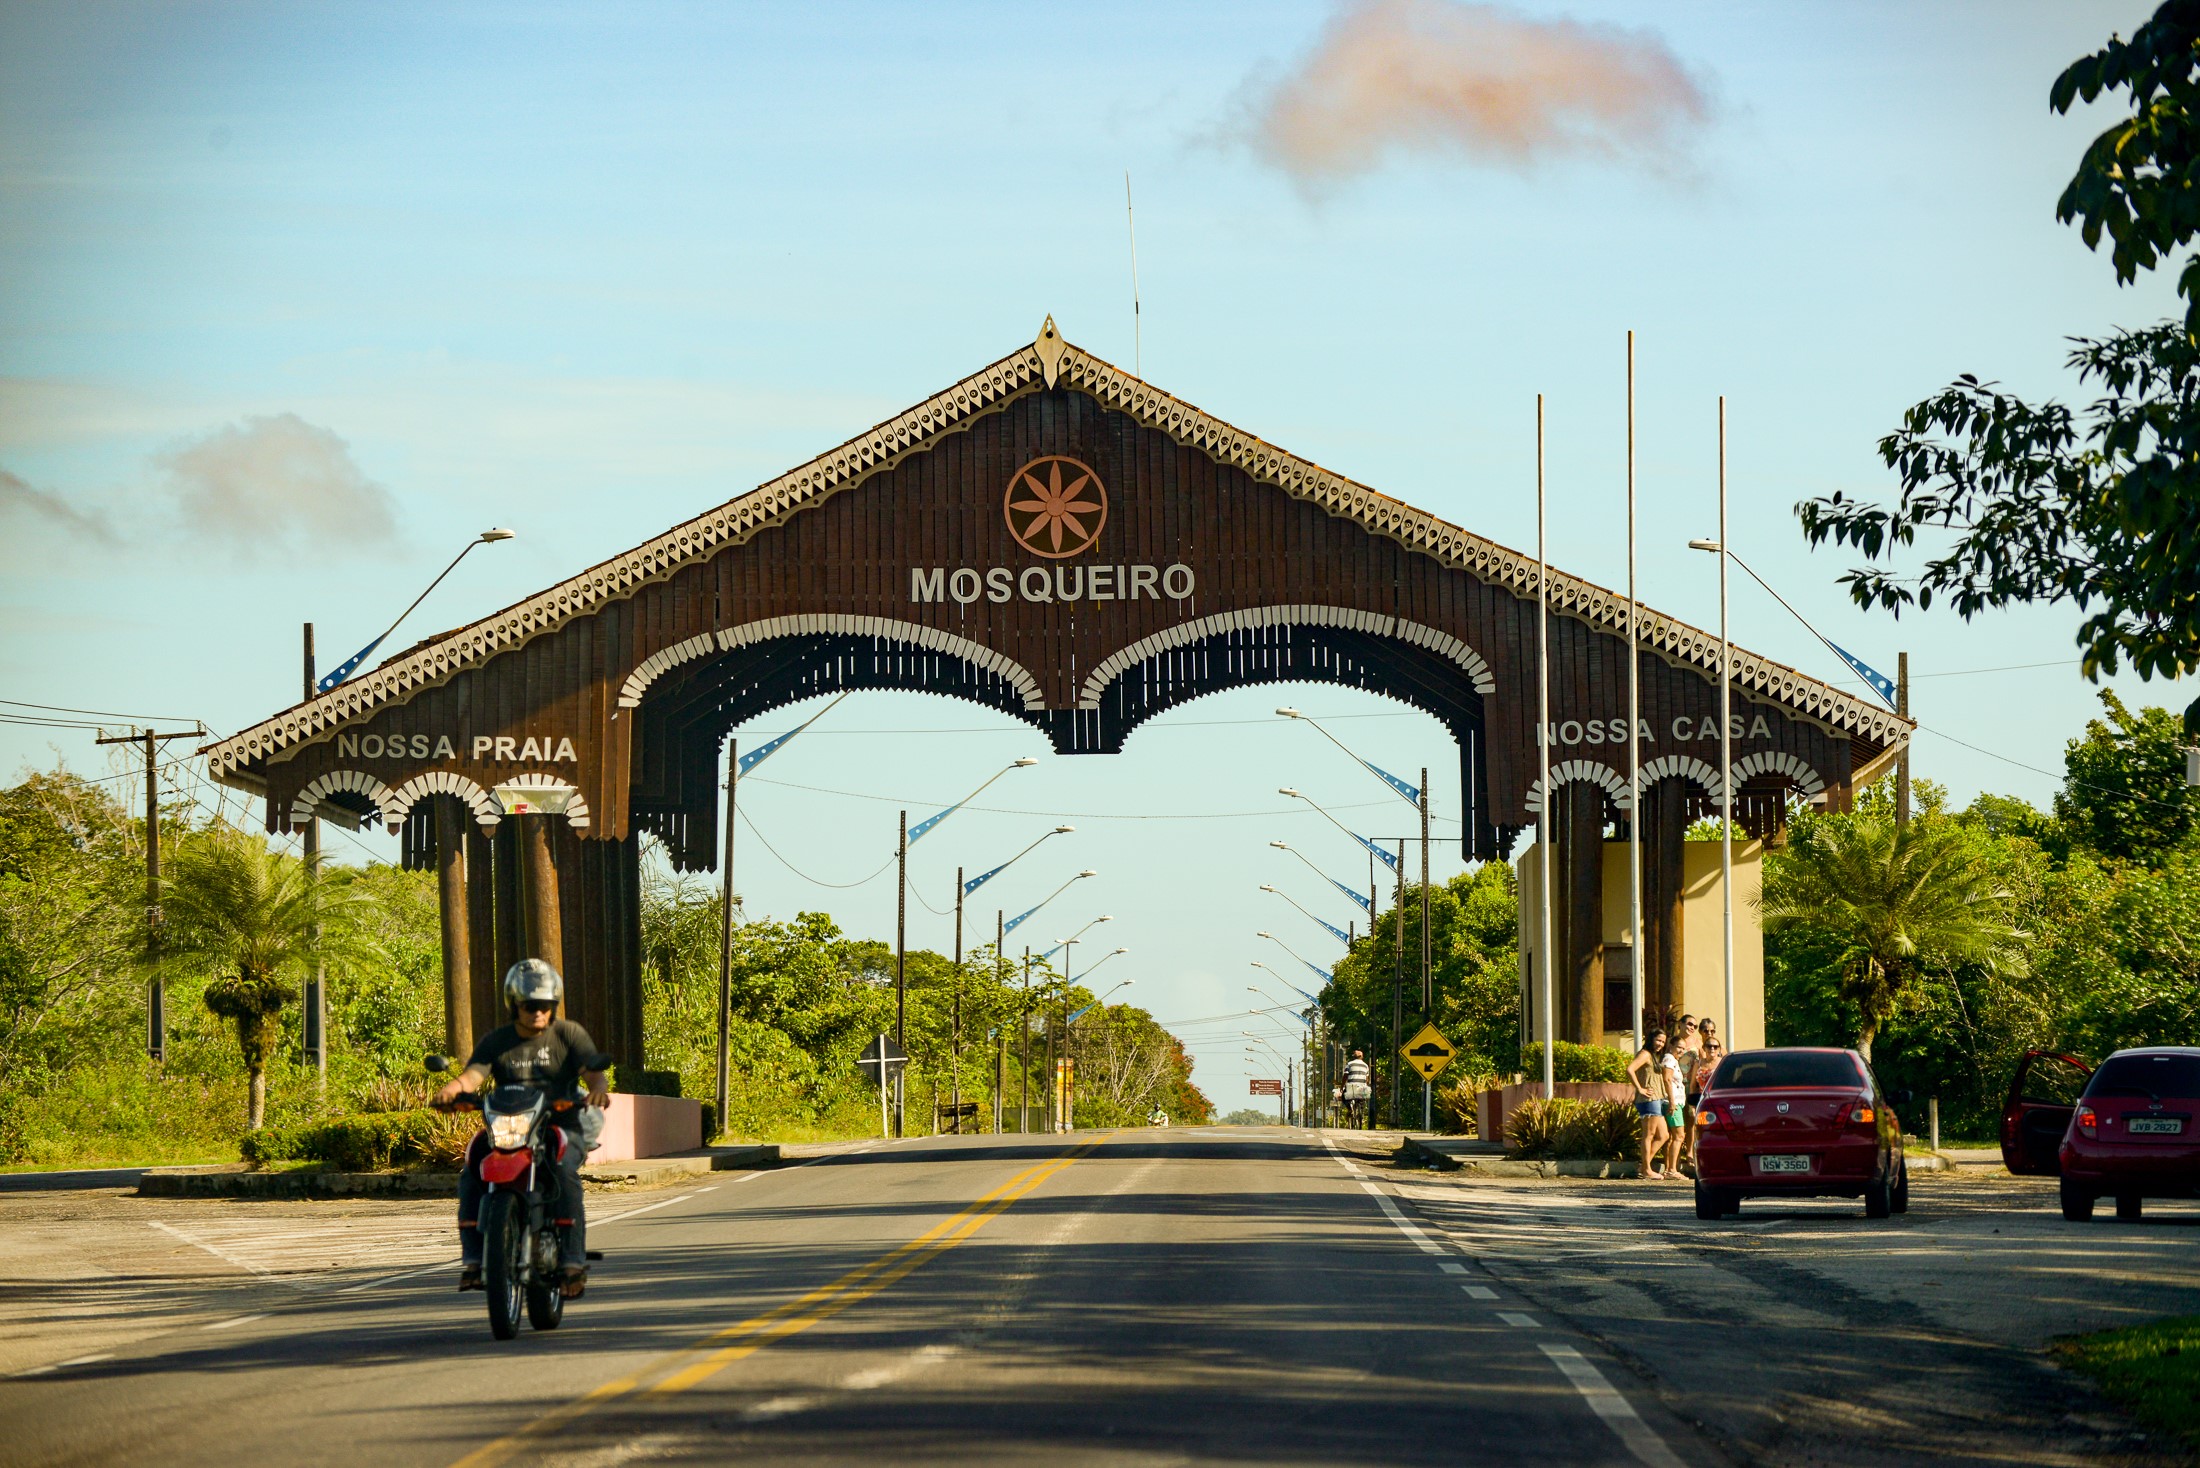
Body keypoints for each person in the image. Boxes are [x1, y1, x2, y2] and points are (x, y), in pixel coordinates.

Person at [434, 958, 610, 1297]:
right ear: (515, 1004)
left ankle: (572, 1261)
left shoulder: (569, 1034)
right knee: (472, 1169)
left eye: (546, 1005)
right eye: (530, 1005)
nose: (538, 1013)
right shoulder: (497, 1040)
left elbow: (592, 1070)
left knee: (564, 1172)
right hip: (509, 1126)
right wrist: (452, 1090)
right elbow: (473, 1075)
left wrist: (598, 1088)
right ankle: (472, 1259)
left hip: (559, 1124)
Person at [1626, 1028, 1671, 1180]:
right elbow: (1630, 1069)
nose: (1660, 1044)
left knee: (1663, 1135)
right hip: (1648, 1100)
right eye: (1658, 1040)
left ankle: (1644, 1165)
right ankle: (1646, 1170)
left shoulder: (1655, 1056)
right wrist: (1640, 1088)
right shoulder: (1645, 1054)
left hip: (1657, 1098)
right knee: (1649, 1135)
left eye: (1663, 1042)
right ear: (1651, 1039)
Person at [1685, 1037, 1723, 1166]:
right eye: (1709, 1046)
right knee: (1701, 1130)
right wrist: (1692, 1104)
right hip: (1701, 1101)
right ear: (1704, 1048)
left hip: (1718, 1100)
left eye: (1715, 1046)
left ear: (1719, 1049)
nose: (1712, 1049)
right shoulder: (1699, 1063)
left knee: (1718, 1130)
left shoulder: (1722, 1062)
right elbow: (1692, 1085)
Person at [1343, 1050, 1372, 1128]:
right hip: (1362, 1088)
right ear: (1362, 1057)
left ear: (1353, 1056)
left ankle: (1350, 1109)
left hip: (1351, 1087)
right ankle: (1361, 1109)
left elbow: (1345, 1075)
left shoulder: (1349, 1064)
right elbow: (1367, 1078)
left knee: (1343, 1096)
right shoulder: (1366, 1066)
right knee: (1363, 1098)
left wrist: (1342, 1086)